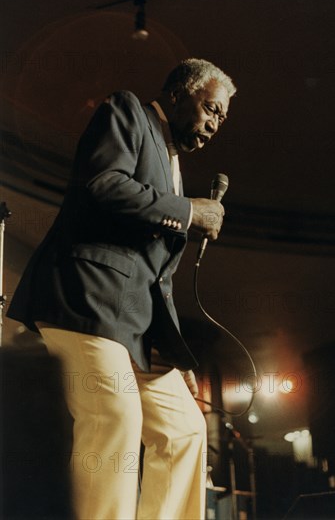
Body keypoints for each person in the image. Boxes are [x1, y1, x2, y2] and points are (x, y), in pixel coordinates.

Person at [8, 58, 236, 519]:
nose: (214, 124)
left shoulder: (172, 163)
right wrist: (189, 212)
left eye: (222, 119)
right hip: (84, 303)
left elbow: (156, 279)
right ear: (177, 93)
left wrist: (172, 352)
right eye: (211, 109)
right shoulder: (127, 111)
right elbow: (102, 184)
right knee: (114, 418)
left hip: (134, 330)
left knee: (186, 428)